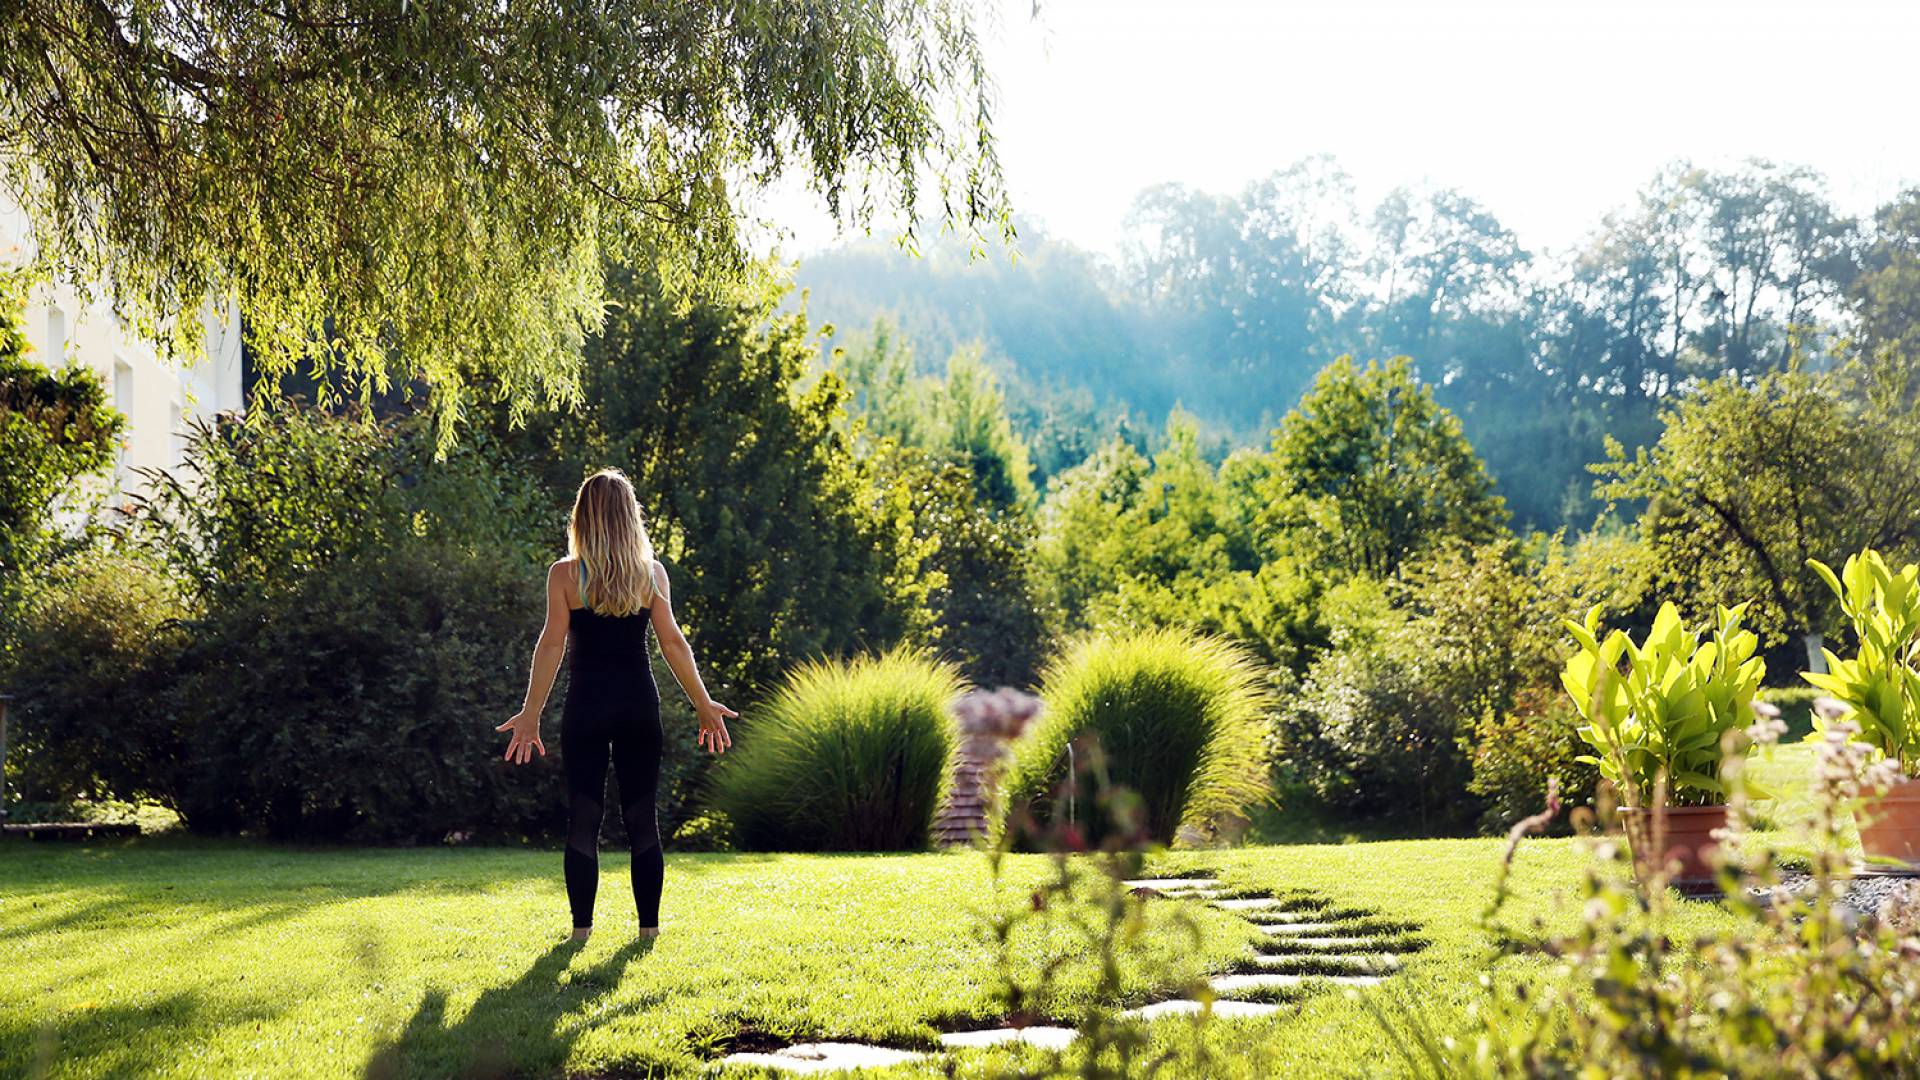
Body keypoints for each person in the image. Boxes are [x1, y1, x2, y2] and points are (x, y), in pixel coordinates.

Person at [497, 468, 735, 941]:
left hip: (586, 708)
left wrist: (531, 714)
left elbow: (551, 646)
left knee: (584, 817)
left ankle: (581, 933)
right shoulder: (651, 575)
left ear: (582, 518)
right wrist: (703, 702)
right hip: (637, 708)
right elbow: (673, 644)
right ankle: (648, 932)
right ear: (631, 517)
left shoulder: (565, 576)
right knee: (641, 816)